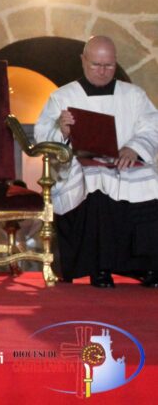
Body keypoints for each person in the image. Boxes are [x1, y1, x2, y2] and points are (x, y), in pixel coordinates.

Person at [35, 35, 158, 288]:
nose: (103, 72)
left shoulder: (133, 95)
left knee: (152, 183)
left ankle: (145, 266)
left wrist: (133, 148)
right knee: (97, 182)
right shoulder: (63, 96)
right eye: (96, 65)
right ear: (83, 61)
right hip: (81, 164)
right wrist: (63, 131)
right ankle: (99, 267)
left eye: (109, 66)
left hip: (125, 162)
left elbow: (151, 125)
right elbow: (42, 137)